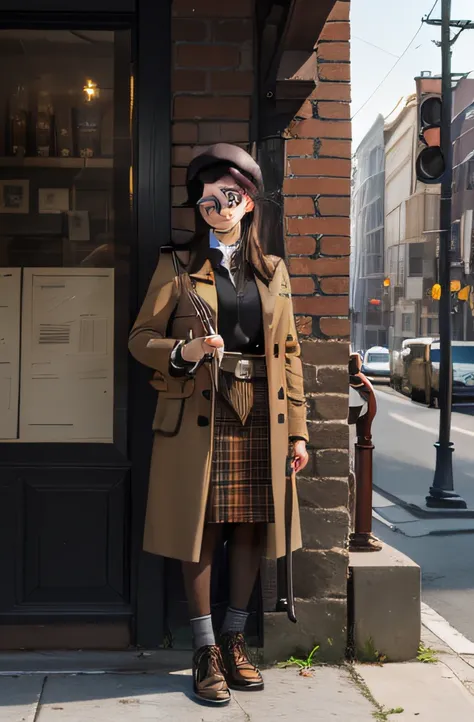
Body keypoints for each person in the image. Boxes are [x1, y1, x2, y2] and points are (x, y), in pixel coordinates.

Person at [129, 143, 309, 705]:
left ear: (248, 202)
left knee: (253, 525)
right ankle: (204, 647)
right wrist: (183, 350)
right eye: (208, 201)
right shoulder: (176, 264)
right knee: (201, 527)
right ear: (199, 207)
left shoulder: (273, 270)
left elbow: (291, 351)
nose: (220, 207)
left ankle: (235, 638)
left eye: (230, 197)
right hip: (201, 412)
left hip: (263, 413)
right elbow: (139, 340)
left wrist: (300, 430)